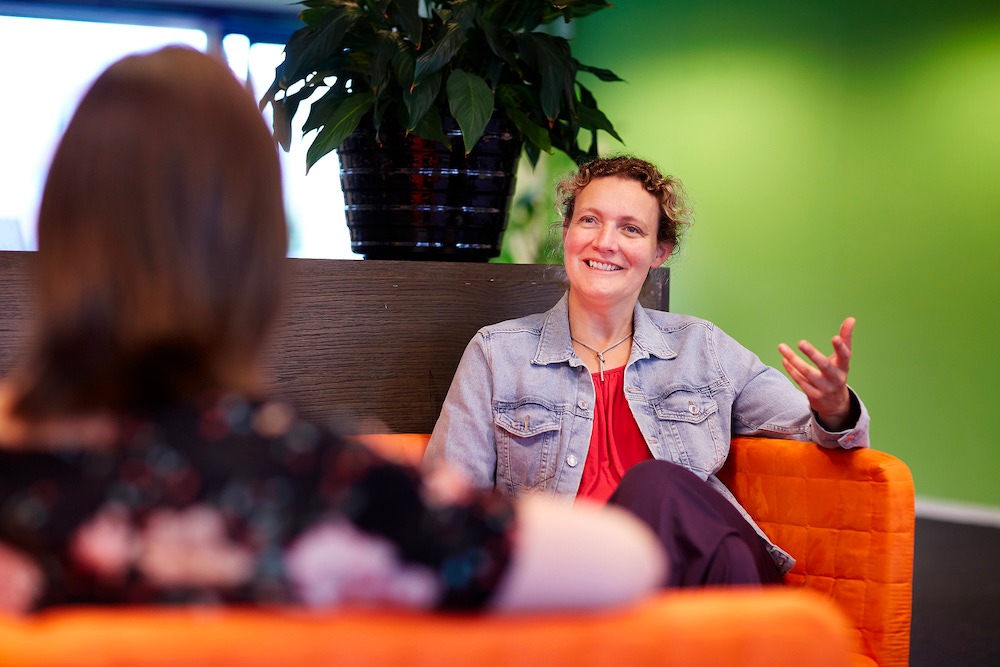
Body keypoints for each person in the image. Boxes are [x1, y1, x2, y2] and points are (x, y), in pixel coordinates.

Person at [0, 47, 665, 614]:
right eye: (589, 221)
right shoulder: (308, 478)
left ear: (56, 228)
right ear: (258, 253)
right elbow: (624, 560)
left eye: (630, 228)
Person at [424, 156, 870, 587]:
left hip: (700, 572)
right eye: (590, 220)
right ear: (567, 231)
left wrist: (834, 406)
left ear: (660, 251)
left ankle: (740, 623)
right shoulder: (496, 354)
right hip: (575, 585)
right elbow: (445, 503)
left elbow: (822, 433)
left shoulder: (701, 347)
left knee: (656, 484)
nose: (605, 242)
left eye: (631, 229)